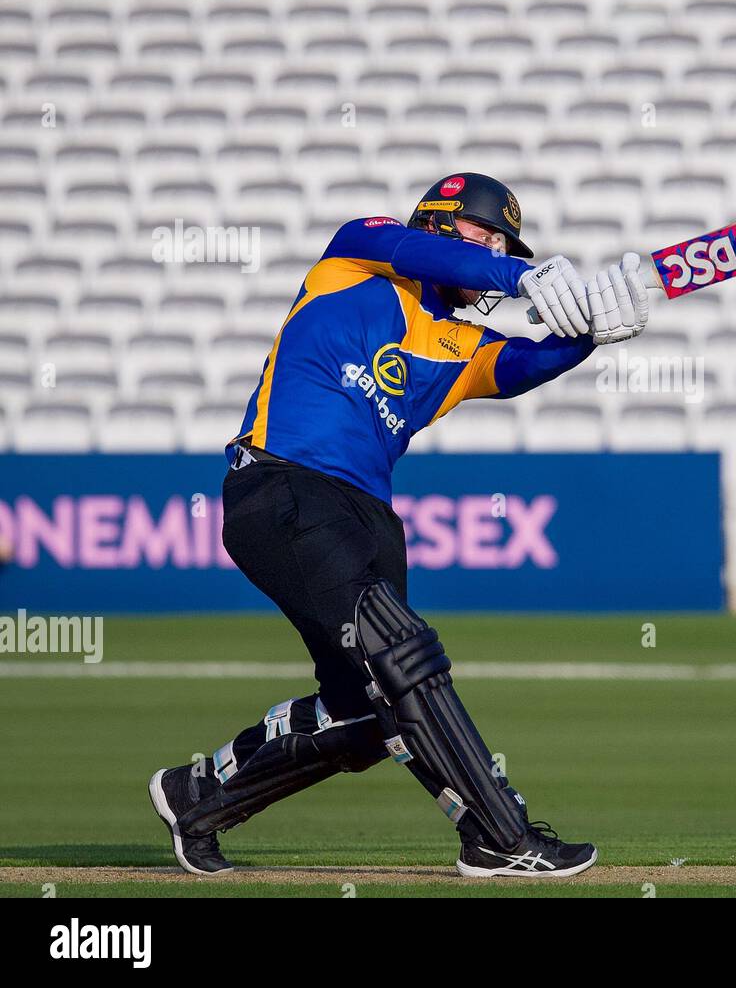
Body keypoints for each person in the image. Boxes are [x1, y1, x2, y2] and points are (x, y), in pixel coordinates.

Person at [148, 172, 648, 878]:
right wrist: (524, 274)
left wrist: (592, 331)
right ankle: (500, 836)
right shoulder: (358, 255)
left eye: (505, 240)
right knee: (403, 651)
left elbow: (521, 363)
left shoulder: (458, 346)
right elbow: (448, 261)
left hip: (369, 518)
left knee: (362, 719)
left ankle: (195, 799)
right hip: (283, 484)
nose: (496, 247)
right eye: (487, 231)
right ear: (440, 222)